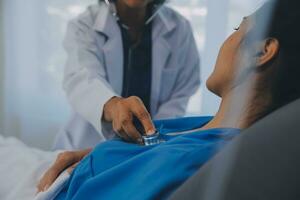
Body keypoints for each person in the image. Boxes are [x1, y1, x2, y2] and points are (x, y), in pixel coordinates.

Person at [54, 0, 201, 150]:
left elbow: (182, 91)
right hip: (85, 147)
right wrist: (113, 105)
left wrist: (153, 140)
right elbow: (82, 78)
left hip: (152, 153)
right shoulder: (84, 25)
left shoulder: (179, 29)